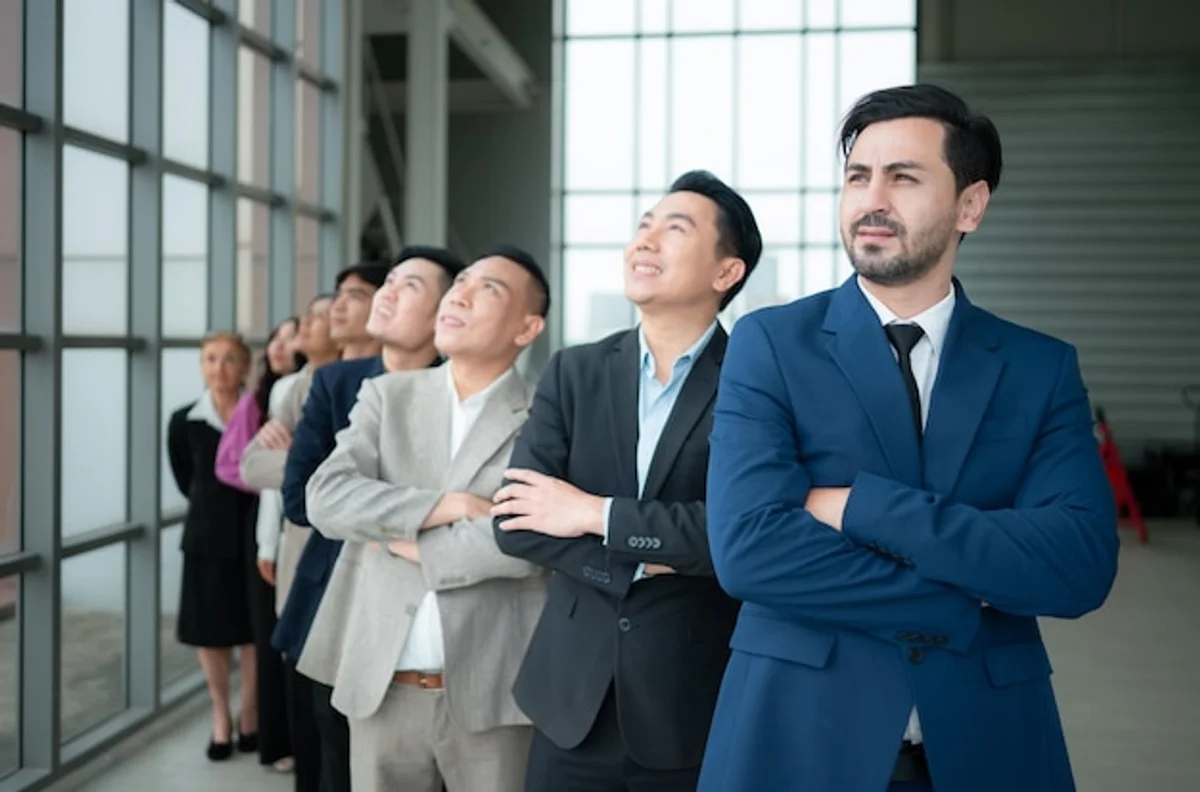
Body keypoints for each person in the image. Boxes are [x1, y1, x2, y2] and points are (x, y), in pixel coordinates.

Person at [699, 84, 1118, 792]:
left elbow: (1077, 565)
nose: (872, 200)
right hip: (797, 736)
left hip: (988, 742)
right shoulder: (771, 344)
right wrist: (968, 591)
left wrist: (857, 507)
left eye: (904, 177)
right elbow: (748, 552)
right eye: (858, 177)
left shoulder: (1038, 368)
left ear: (970, 206)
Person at [491, 171, 761, 792]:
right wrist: (643, 561)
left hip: (691, 702)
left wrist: (593, 514)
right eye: (644, 226)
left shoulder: (754, 380)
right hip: (569, 701)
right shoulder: (575, 372)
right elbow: (515, 522)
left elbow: (739, 530)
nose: (646, 240)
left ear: (726, 272)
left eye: (675, 229)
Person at [304, 247, 551, 792]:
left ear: (527, 327)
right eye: (460, 282)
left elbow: (526, 540)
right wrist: (453, 507)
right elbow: (325, 498)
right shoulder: (386, 395)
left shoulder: (546, 414)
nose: (459, 295)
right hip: (382, 685)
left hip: (496, 692)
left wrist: (395, 538)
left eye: (488, 288)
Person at [276, 246, 465, 792]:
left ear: (442, 312)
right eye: (389, 283)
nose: (388, 293)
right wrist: (423, 508)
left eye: (409, 286)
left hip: (423, 610)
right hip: (335, 595)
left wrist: (357, 500)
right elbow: (300, 498)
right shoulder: (336, 382)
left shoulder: (459, 390)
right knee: (329, 754)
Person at [240, 264, 387, 792]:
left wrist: (313, 464)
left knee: (353, 731)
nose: (337, 308)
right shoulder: (307, 385)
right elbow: (253, 467)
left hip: (373, 570)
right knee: (316, 722)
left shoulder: (397, 381)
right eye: (334, 298)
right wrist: (335, 474)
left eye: (354, 296)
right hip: (308, 560)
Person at [213, 316, 306, 772]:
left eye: (292, 337)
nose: (280, 346)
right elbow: (257, 471)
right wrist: (267, 543)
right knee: (274, 636)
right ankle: (277, 741)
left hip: (289, 523)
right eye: (276, 338)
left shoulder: (297, 390)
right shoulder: (272, 395)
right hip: (272, 523)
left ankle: (285, 739)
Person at [166, 331, 256, 761]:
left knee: (254, 633)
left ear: (246, 367)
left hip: (253, 538)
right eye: (211, 359)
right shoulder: (184, 421)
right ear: (202, 366)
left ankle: (250, 713)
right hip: (205, 540)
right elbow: (186, 479)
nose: (219, 368)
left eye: (230, 359)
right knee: (210, 633)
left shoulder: (259, 414)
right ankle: (221, 715)